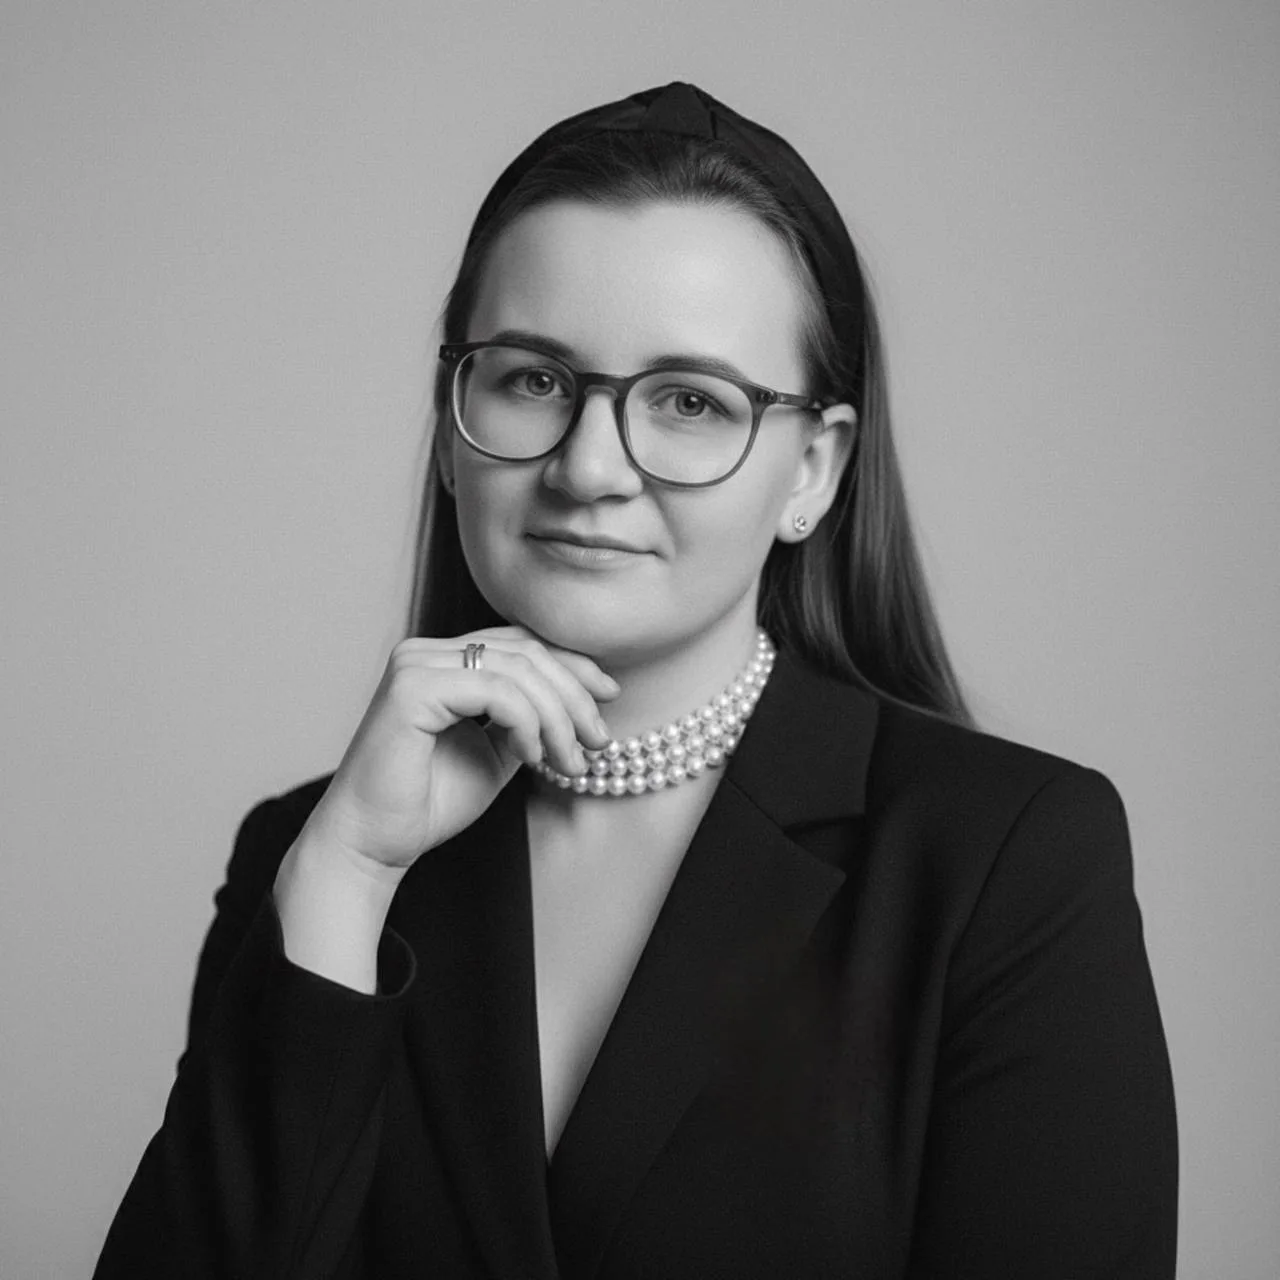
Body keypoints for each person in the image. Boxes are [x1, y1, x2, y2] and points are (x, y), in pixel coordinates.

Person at [93, 81, 1178, 1278]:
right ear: (451, 424)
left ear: (813, 469)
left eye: (688, 401)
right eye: (532, 379)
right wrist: (346, 874)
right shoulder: (310, 857)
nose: (589, 467)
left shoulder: (1005, 859)